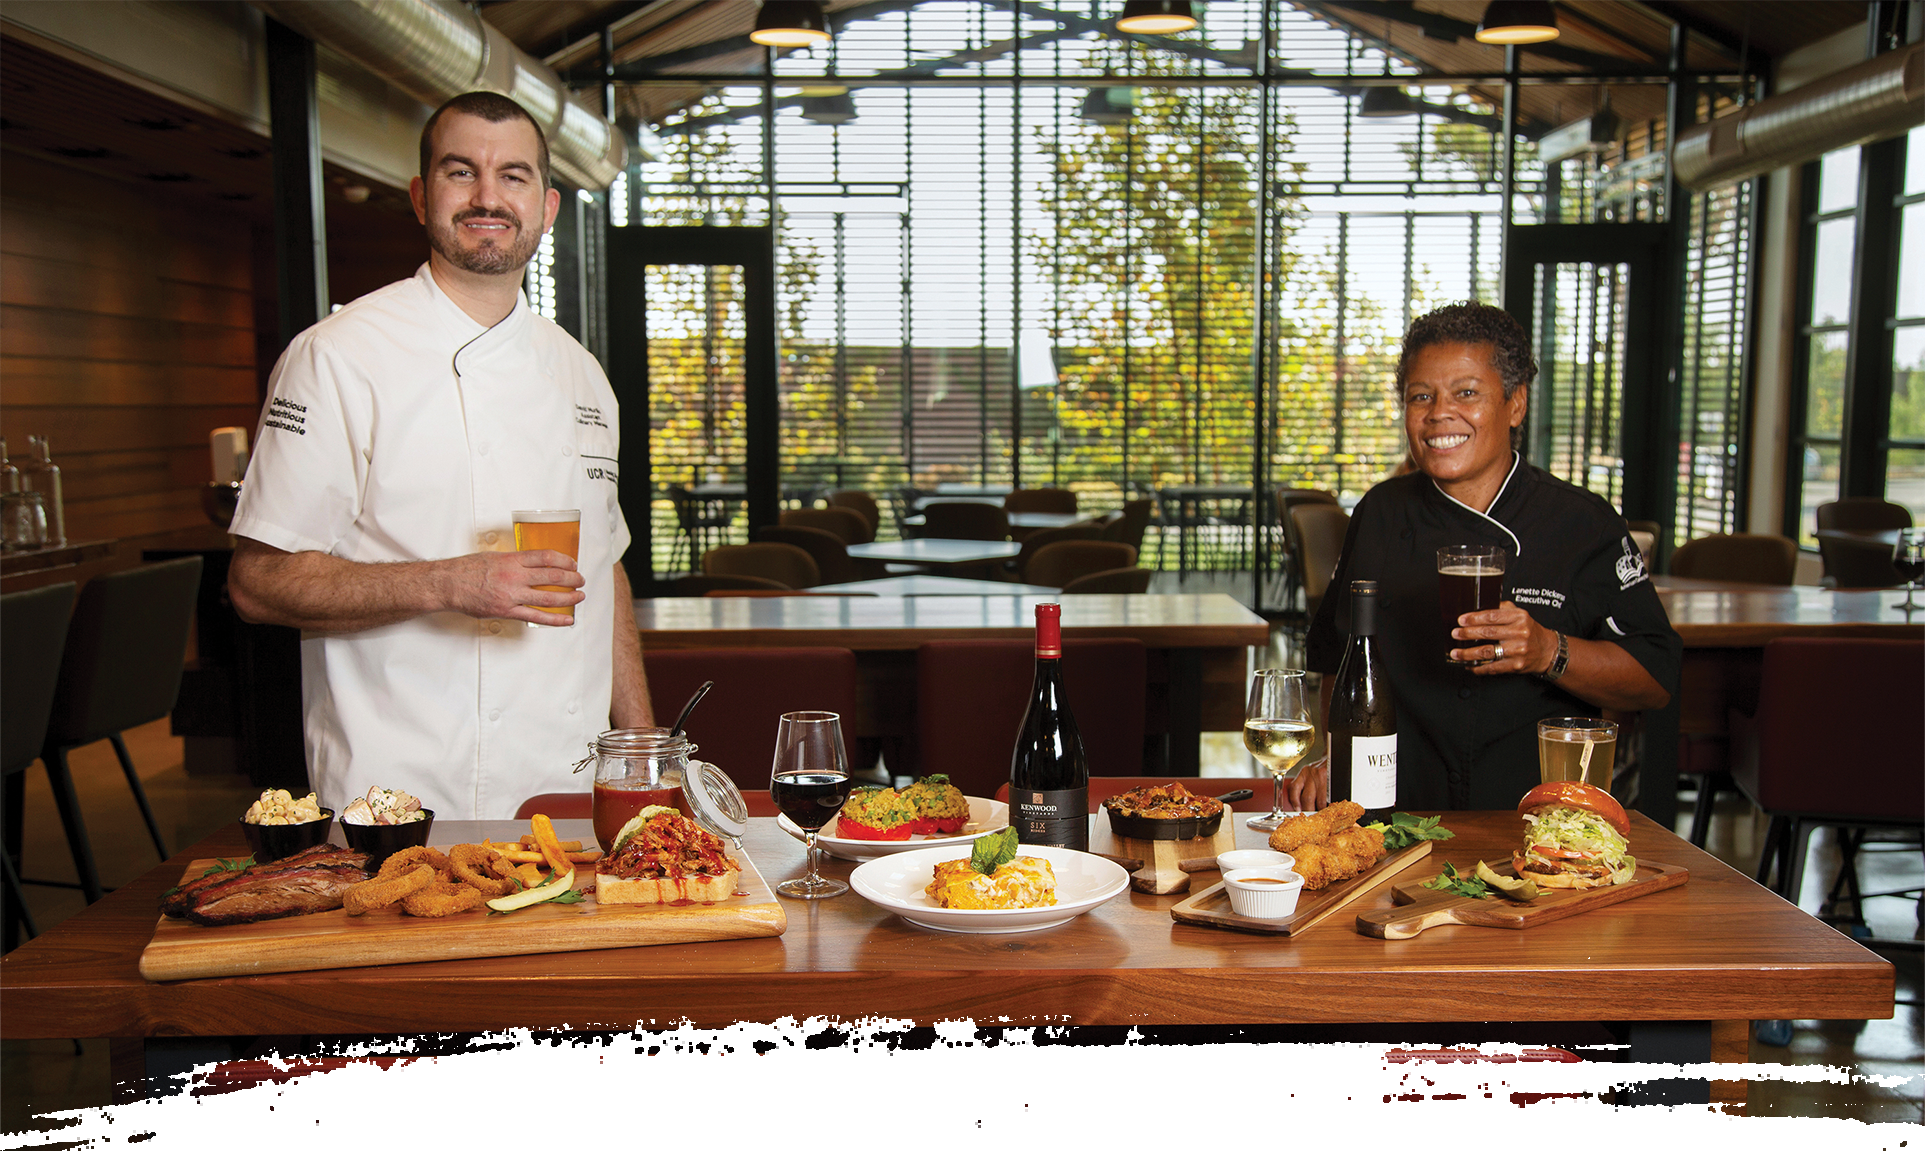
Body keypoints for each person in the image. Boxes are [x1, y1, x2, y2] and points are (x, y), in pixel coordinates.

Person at [227, 91, 652, 820]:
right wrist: (452, 582)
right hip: (394, 795)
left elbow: (602, 563)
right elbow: (258, 582)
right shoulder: (335, 357)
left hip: (566, 789)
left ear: (546, 208)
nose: (489, 196)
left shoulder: (582, 373)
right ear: (423, 198)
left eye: (513, 176)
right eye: (463, 172)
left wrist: (642, 744)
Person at [1292, 303, 1679, 811]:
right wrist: (1334, 757)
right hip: (1394, 817)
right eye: (1420, 396)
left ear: (1515, 404)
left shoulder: (1582, 522)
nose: (1438, 414)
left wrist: (1548, 651)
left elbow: (1655, 680)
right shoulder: (1381, 511)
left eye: (1466, 393)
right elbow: (1338, 665)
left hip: (1534, 821)